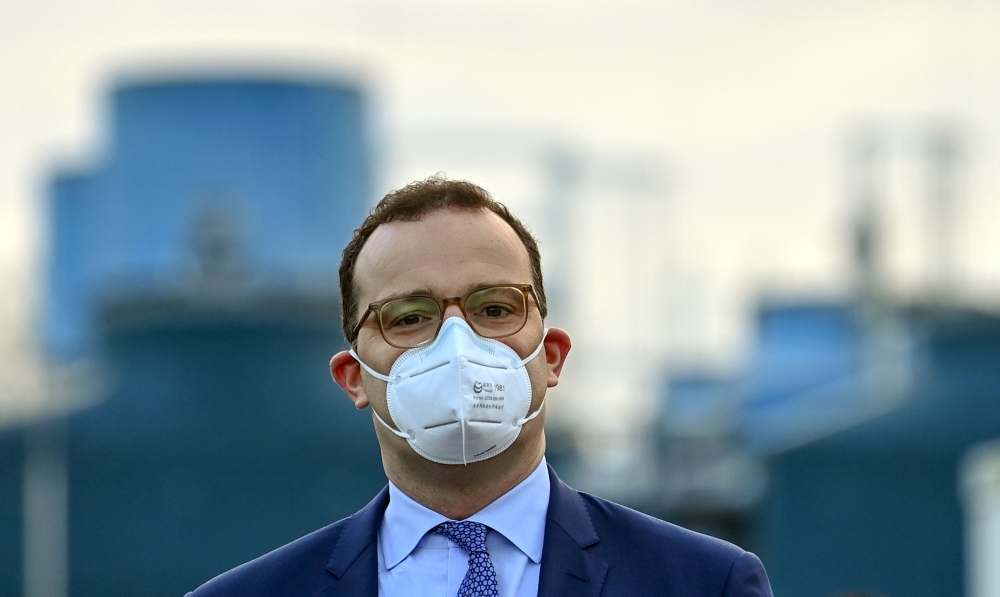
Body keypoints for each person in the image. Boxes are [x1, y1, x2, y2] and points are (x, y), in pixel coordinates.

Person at [186, 177, 772, 597]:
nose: (457, 344)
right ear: (354, 377)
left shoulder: (703, 583)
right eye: (409, 317)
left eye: (495, 308)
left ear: (552, 357)